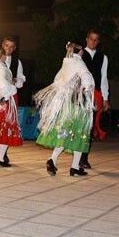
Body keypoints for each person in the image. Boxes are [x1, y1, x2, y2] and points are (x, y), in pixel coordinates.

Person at [35, 42, 95, 176]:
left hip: (66, 106)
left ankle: (53, 160)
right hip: (78, 106)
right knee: (80, 134)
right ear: (80, 52)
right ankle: (74, 167)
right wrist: (87, 91)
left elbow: (57, 80)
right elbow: (86, 78)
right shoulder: (79, 63)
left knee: (65, 134)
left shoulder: (66, 63)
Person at [79, 29, 110, 169]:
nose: (93, 41)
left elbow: (103, 78)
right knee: (80, 125)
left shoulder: (103, 57)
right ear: (87, 39)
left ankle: (84, 158)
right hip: (80, 94)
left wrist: (105, 98)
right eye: (91, 39)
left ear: (98, 41)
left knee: (90, 127)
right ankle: (76, 156)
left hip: (95, 95)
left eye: (96, 39)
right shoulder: (79, 54)